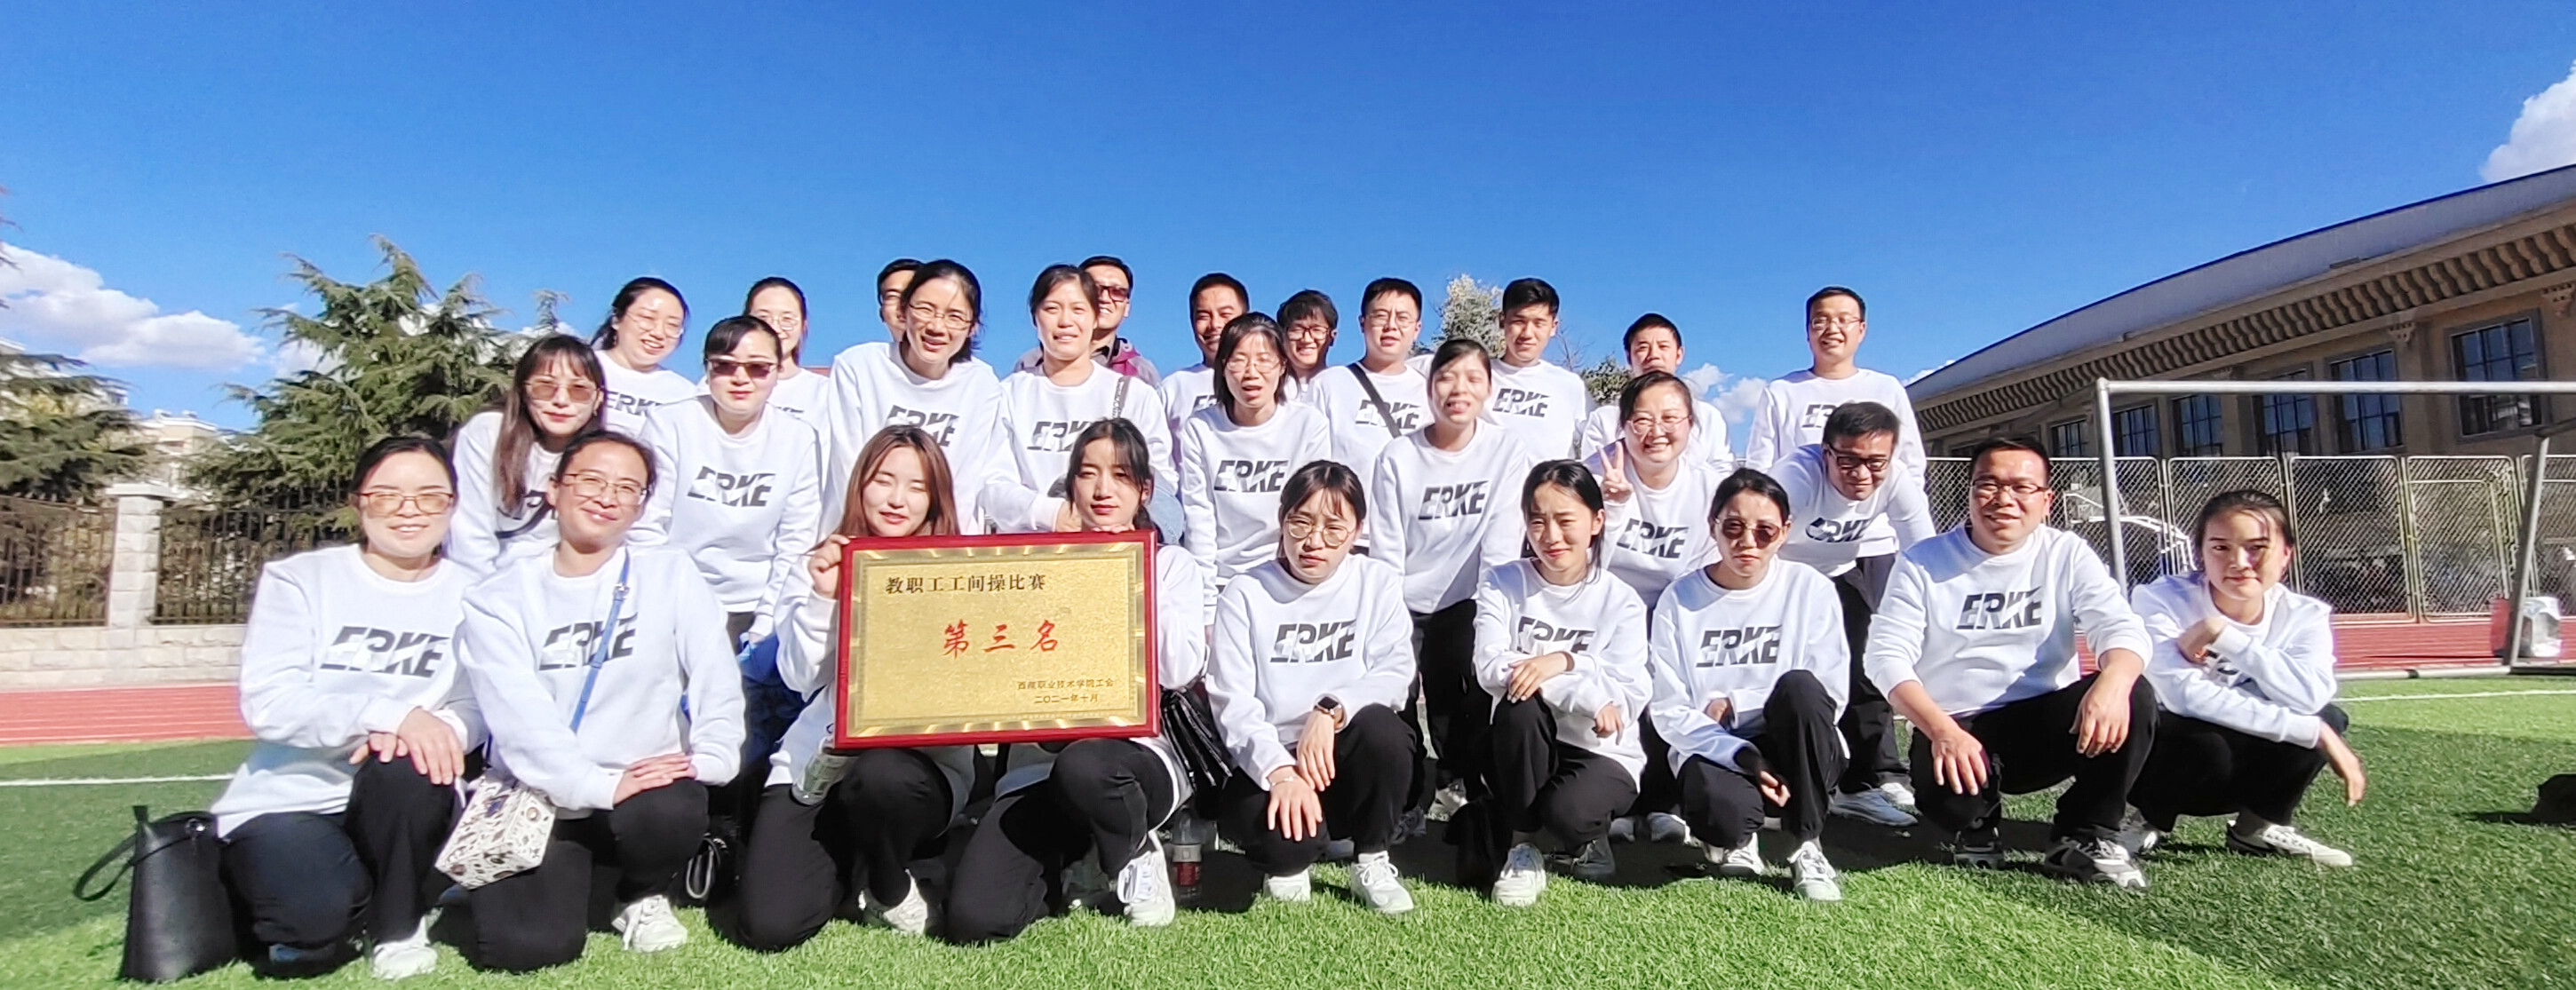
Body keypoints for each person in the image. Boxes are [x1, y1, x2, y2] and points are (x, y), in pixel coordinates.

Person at [455, 432, 745, 970]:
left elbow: (715, 674)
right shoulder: (498, 597)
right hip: (543, 794)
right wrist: (595, 785)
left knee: (671, 807)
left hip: (643, 792)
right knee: (526, 949)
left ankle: (641, 891)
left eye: (627, 487)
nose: (607, 497)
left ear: (641, 504)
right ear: (554, 489)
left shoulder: (669, 573)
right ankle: (574, 880)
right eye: (591, 480)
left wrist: (712, 756)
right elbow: (520, 720)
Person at [211, 436, 479, 980]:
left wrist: (437, 730)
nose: (409, 510)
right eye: (387, 495)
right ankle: (346, 892)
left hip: (406, 792)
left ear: (452, 505)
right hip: (295, 796)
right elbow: (270, 703)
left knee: (407, 765)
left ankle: (398, 927)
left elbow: (477, 704)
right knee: (310, 924)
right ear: (359, 503)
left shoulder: (477, 592)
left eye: (430, 496)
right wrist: (391, 716)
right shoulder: (301, 580)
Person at [944, 419, 1210, 942]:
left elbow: (1180, 670)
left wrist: (1131, 572)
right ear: (1070, 487)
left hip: (1132, 764)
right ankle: (1075, 861)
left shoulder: (1170, 565)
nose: (1103, 489)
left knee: (1087, 767)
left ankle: (1133, 848)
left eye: (1121, 476)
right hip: (1039, 766)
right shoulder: (1033, 566)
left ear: (1145, 491)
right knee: (977, 919)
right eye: (1088, 474)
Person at [1863, 437, 2158, 888]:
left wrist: (2114, 682)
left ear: (2046, 500)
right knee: (1953, 810)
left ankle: (2086, 833)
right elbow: (1885, 655)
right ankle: (1977, 824)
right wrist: (1942, 731)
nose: (2003, 499)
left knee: (2133, 691)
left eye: (2021, 487)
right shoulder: (1923, 562)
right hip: (1958, 726)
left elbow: (2121, 627)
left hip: (2044, 724)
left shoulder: (2066, 552)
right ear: (1969, 492)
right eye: (1989, 484)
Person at [732, 427, 979, 946]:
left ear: (935, 499)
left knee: (881, 776)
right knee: (770, 925)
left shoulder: (962, 572)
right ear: (860, 485)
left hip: (915, 771)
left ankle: (890, 884)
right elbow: (799, 677)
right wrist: (825, 596)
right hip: (819, 765)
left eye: (916, 487)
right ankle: (850, 863)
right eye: (883, 481)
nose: (896, 499)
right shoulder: (823, 561)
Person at [633, 315, 825, 836]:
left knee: (750, 728)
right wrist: (681, 616)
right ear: (707, 368)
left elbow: (794, 543)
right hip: (679, 599)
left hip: (760, 603)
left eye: (758, 368)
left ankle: (732, 836)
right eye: (725, 366)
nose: (741, 378)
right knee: (672, 726)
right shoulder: (670, 424)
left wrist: (762, 628)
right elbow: (649, 530)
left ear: (778, 372)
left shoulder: (796, 438)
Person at [1207, 461, 1419, 914]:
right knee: (1286, 851)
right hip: (1275, 758)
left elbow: (1396, 673)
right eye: (1300, 523)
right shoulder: (1245, 592)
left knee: (1385, 732)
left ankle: (1371, 856)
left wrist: (1331, 708)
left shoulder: (1376, 582)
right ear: (1282, 521)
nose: (1313, 541)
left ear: (1357, 531)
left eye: (1333, 528)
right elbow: (1233, 703)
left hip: (1343, 753)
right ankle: (1303, 847)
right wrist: (1281, 772)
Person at [2124, 490, 2365, 866]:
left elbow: (2311, 695)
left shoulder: (2304, 615)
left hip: (2237, 765)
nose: (2239, 562)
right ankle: (2141, 818)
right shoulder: (2160, 600)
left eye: (2257, 548)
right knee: (2205, 737)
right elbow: (2182, 695)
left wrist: (2225, 636)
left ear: (2286, 554)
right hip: (2165, 759)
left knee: (2329, 716)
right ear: (2200, 554)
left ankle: (2257, 827)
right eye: (2220, 548)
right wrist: (2311, 732)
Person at [1647, 468, 1854, 902]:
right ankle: (1740, 835)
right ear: (1713, 526)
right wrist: (1743, 755)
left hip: (1798, 745)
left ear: (1785, 532)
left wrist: (1738, 703)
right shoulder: (1680, 599)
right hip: (1718, 747)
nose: (1747, 542)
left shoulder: (1810, 589)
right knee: (1721, 815)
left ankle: (1807, 843)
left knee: (1800, 687)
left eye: (1764, 531)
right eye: (1734, 527)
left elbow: (1829, 694)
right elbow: (1668, 710)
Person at [1368, 337, 1539, 816]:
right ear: (1429, 389)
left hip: (1469, 598)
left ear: (1489, 389)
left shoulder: (1505, 449)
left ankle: (1459, 787)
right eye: (1446, 378)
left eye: (1472, 379)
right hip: (1405, 599)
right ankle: (1405, 798)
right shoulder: (1397, 457)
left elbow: (1502, 539)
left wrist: (1490, 613)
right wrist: (1390, 618)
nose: (1458, 390)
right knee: (1397, 698)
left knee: (1460, 702)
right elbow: (1387, 547)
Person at [1471, 460, 1650, 904]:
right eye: (1538, 521)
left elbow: (1625, 695)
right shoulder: (1502, 582)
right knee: (1519, 699)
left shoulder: (1622, 601)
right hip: (1525, 742)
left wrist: (1562, 661)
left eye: (1565, 520)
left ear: (1597, 521)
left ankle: (1586, 837)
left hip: (1599, 749)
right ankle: (1522, 847)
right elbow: (1490, 665)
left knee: (1568, 814)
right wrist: (1573, 678)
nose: (1550, 536)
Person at [1769, 401, 1937, 828]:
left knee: (1868, 668)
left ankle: (1858, 786)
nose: (1862, 473)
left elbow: (1926, 554)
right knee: (1783, 678)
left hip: (1840, 574)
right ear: (1826, 452)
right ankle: (1772, 783)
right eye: (1848, 460)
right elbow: (1754, 540)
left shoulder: (1895, 479)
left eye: (1875, 462)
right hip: (1780, 576)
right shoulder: (1794, 479)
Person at [1583, 371, 1726, 845]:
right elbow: (1585, 563)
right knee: (1613, 693)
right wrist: (1615, 506)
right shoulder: (1595, 475)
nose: (1656, 432)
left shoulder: (1710, 487)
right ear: (1623, 425)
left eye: (1670, 419)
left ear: (1691, 425)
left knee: (1670, 690)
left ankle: (1665, 802)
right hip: (1606, 606)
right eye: (1642, 420)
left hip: (1678, 606)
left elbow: (1710, 568)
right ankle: (1620, 800)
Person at [819, 258, 1013, 531]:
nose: (937, 327)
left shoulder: (981, 384)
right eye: (925, 309)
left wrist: (938, 545)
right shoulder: (858, 367)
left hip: (940, 542)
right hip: (857, 536)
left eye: (955, 316)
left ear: (973, 327)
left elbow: (967, 481)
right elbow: (847, 467)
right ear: (904, 311)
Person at [990, 265, 1174, 532]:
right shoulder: (1008, 394)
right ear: (1035, 317)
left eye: (1078, 309)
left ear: (1095, 317)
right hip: (1029, 548)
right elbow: (993, 483)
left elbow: (1160, 480)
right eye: (1052, 309)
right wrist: (1052, 514)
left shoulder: (1135, 396)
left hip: (1111, 546)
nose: (1065, 321)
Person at [1178, 313, 1332, 607]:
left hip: (1285, 578)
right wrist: (1206, 605)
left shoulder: (1308, 425)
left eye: (1264, 360)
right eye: (1238, 360)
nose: (1251, 372)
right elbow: (1200, 520)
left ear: (1282, 365)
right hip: (1222, 581)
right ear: (1223, 366)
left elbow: (1310, 512)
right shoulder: (1200, 428)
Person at [449, 335, 607, 575]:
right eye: (545, 387)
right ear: (523, 392)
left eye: (579, 391)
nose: (561, 400)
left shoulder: (606, 456)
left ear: (597, 400)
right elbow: (468, 533)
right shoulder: (489, 432)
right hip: (487, 580)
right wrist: (484, 592)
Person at [1742, 286, 1924, 473]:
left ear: (1861, 330)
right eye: (1820, 321)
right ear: (1808, 331)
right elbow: (1760, 466)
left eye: (1844, 320)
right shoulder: (1780, 392)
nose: (1832, 329)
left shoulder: (1887, 389)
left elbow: (1911, 464)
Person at [1308, 278, 1431, 480]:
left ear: (1416, 329)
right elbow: (1310, 464)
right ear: (1362, 323)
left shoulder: (1431, 393)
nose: (1391, 326)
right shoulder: (1329, 384)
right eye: (1381, 316)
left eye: (1402, 318)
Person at [1575, 314, 1730, 467]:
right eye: (1643, 348)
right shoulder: (1604, 419)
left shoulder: (1708, 417)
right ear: (1629, 357)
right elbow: (1591, 474)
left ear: (1679, 354)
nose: (1654, 356)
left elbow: (1722, 471)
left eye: (1663, 347)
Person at [1008, 255, 1161, 385]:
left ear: (1127, 307)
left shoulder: (1141, 373)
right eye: (1095, 289)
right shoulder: (1030, 364)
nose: (1104, 298)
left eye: (1117, 292)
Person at [1484, 278, 1590, 460]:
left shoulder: (1570, 385)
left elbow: (1602, 439)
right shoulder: (1476, 377)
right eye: (1519, 321)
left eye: (1539, 323)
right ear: (1502, 321)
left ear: (1553, 327)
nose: (1527, 333)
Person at [591, 277, 701, 436]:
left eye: (672, 325)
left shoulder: (686, 395)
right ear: (617, 319)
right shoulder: (581, 368)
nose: (659, 333)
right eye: (647, 318)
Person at [1157, 273, 1249, 441]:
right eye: (1203, 316)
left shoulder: (1271, 381)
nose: (1215, 325)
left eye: (1225, 315)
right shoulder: (1173, 387)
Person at [740, 277, 831, 426]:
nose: (775, 328)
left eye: (787, 319)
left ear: (804, 326)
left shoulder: (825, 393)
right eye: (763, 318)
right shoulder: (721, 384)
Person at [1276, 289, 1338, 405]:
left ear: (1332, 337)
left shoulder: (1342, 388)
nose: (1306, 339)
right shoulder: (1270, 390)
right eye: (1297, 329)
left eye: (1316, 330)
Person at [875, 258, 922, 341]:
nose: (904, 304)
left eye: (914, 294)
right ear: (881, 313)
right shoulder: (866, 350)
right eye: (893, 296)